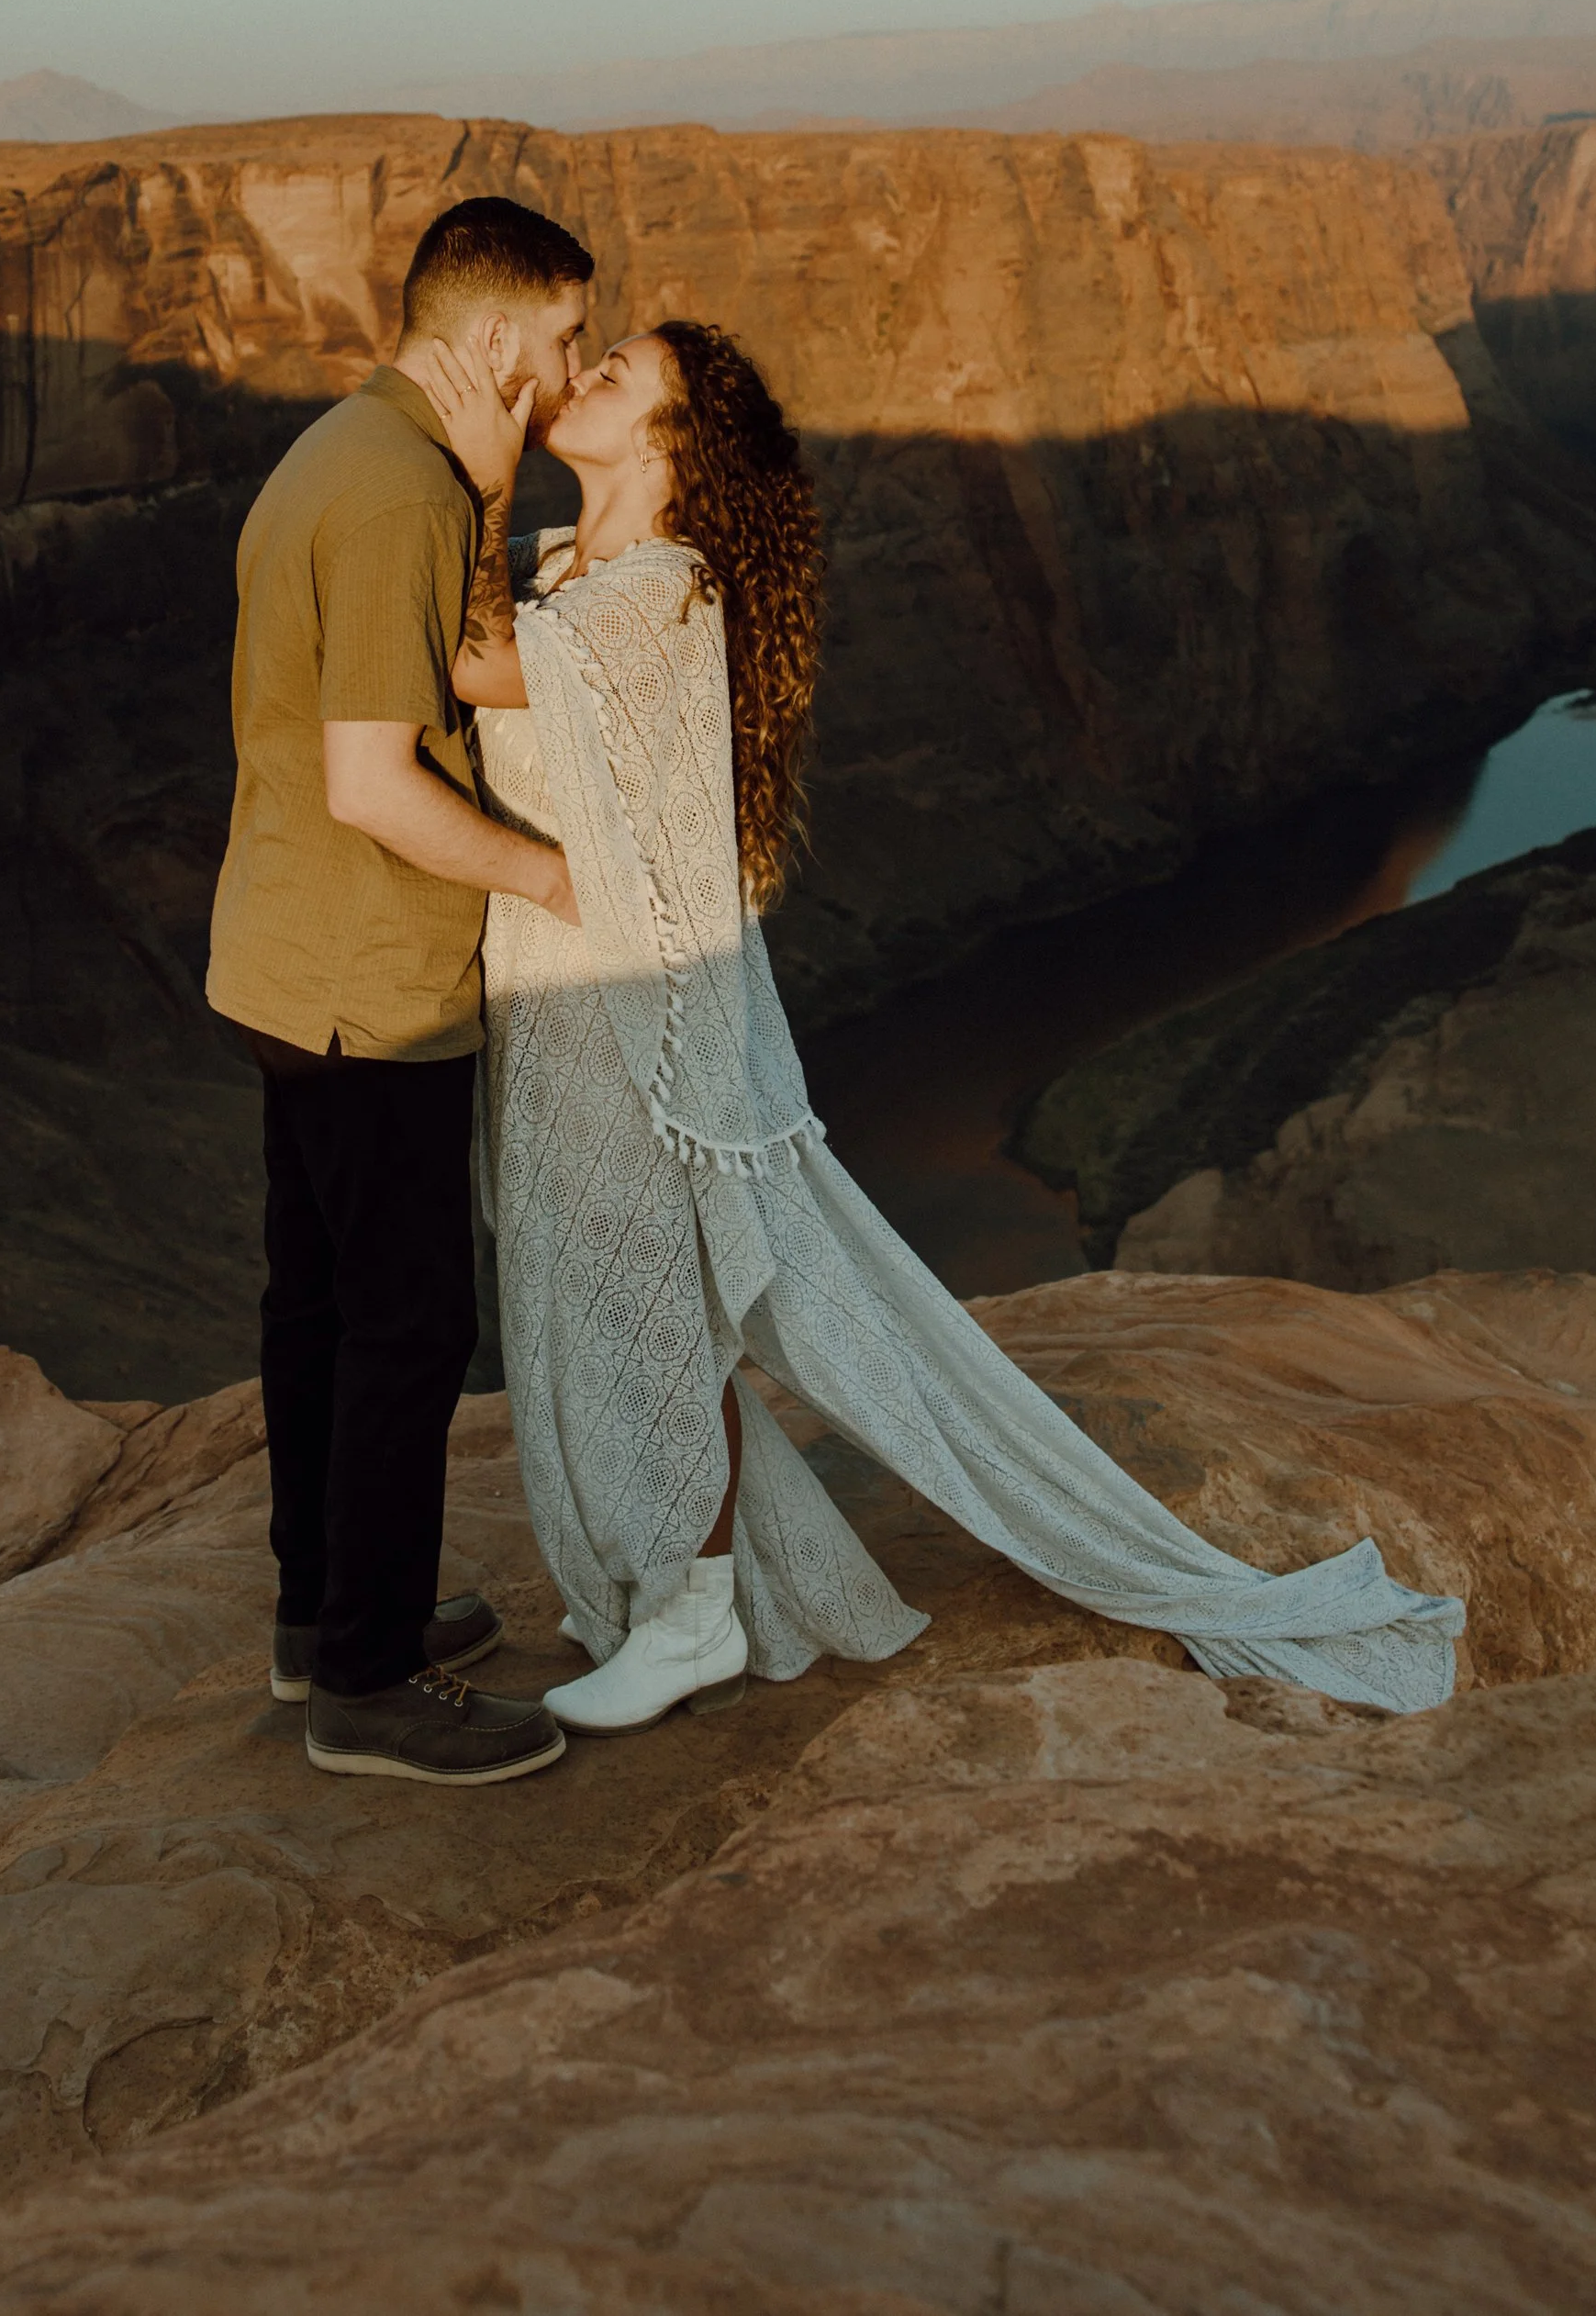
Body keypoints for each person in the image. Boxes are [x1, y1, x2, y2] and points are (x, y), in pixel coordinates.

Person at [430, 319, 1468, 1732]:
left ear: (671, 447)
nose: (585, 378)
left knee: (655, 1320)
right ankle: (666, 1596)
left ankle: (688, 1616)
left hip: (627, 1027)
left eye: (617, 374)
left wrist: (471, 458)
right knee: (604, 1310)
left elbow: (474, 664)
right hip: (563, 1006)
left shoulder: (654, 598)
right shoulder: (583, 572)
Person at [206, 193, 596, 1785]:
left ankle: (324, 1618)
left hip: (284, 964)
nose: (571, 373)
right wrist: (554, 875)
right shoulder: (392, 498)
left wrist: (491, 491)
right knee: (411, 1325)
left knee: (316, 1307)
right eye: (565, 338)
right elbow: (377, 780)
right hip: (371, 982)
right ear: (494, 335)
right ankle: (367, 1684)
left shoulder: (357, 453)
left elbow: (426, 665)